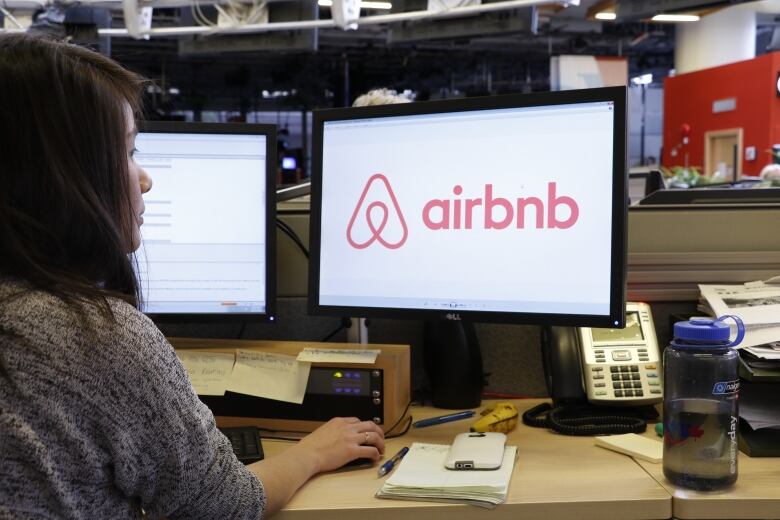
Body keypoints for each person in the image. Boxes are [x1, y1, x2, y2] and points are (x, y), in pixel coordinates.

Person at [0, 34, 385, 518]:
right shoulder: (90, 336)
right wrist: (313, 451)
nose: (145, 178)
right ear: (60, 175)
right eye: (127, 152)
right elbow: (226, 507)